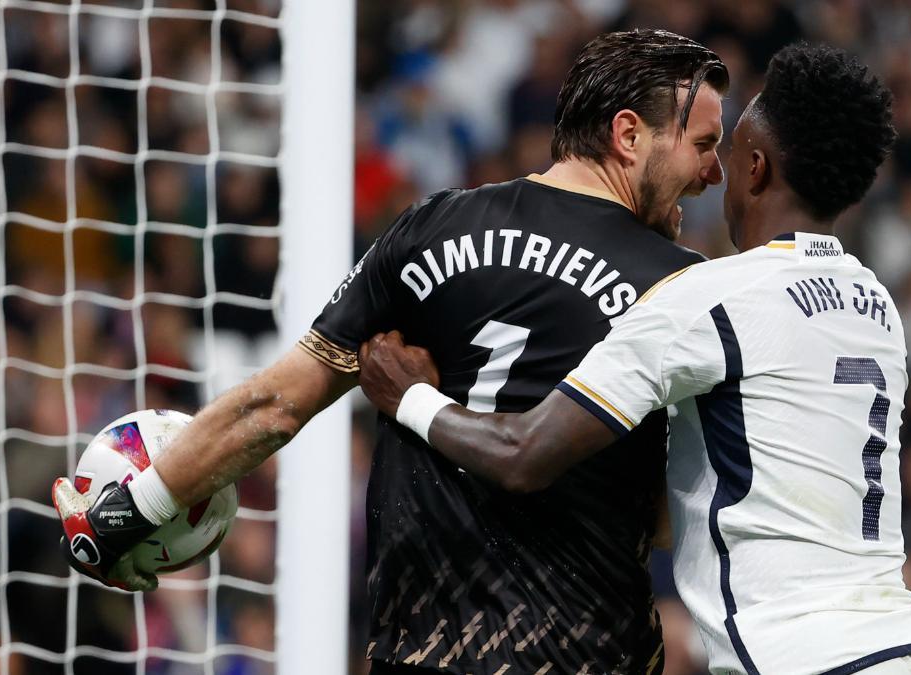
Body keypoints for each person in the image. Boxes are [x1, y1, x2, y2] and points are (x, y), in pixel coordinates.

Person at [53, 29, 727, 674]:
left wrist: (128, 511)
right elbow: (674, 517)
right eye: (704, 144)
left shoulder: (432, 227)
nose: (713, 172)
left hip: (424, 652)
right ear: (629, 134)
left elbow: (273, 407)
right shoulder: (682, 286)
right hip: (587, 651)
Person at [356, 43, 911, 675]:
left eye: (724, 153)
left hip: (798, 656)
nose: (712, 174)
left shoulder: (710, 296)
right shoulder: (875, 306)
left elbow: (523, 454)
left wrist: (410, 397)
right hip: (910, 642)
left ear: (755, 169)